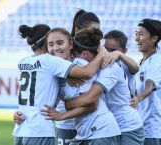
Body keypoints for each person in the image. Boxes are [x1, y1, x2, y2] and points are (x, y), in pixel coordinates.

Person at [12, 24, 105, 145]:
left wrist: (66, 77)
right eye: (51, 42)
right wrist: (102, 53)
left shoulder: (22, 62)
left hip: (20, 128)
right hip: (40, 129)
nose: (55, 46)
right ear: (46, 41)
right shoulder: (50, 61)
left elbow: (42, 80)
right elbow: (87, 73)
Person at [42, 28, 121, 145]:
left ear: (70, 45)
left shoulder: (81, 66)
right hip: (85, 133)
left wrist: (62, 115)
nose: (55, 48)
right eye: (51, 44)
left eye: (60, 43)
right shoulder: (58, 72)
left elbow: (92, 104)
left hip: (101, 131)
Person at [55, 9, 101, 145]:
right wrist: (66, 73)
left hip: (91, 121)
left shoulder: (98, 51)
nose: (95, 35)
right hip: (67, 122)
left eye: (97, 30)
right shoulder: (62, 50)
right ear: (77, 29)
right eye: (91, 30)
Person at [130, 18, 161, 145]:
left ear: (154, 39)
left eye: (141, 34)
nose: (136, 38)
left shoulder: (156, 62)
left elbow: (149, 87)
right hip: (142, 128)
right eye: (136, 33)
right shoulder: (142, 63)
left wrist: (138, 98)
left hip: (152, 131)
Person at [104, 30, 139, 95]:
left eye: (113, 50)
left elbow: (136, 68)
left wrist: (119, 54)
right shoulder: (101, 59)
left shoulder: (125, 63)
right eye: (106, 49)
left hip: (126, 103)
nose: (108, 53)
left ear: (124, 51)